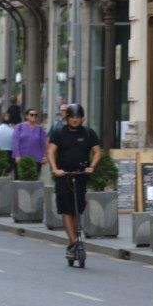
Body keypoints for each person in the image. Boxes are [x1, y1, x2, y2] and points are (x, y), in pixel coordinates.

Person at [46, 102, 101, 261]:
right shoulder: (59, 133)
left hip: (81, 174)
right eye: (72, 117)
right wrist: (55, 168)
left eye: (78, 117)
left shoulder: (89, 133)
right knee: (66, 208)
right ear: (67, 118)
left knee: (78, 208)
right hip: (64, 175)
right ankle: (74, 241)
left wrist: (92, 166)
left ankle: (73, 242)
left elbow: (97, 152)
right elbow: (51, 151)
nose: (75, 120)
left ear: (82, 118)